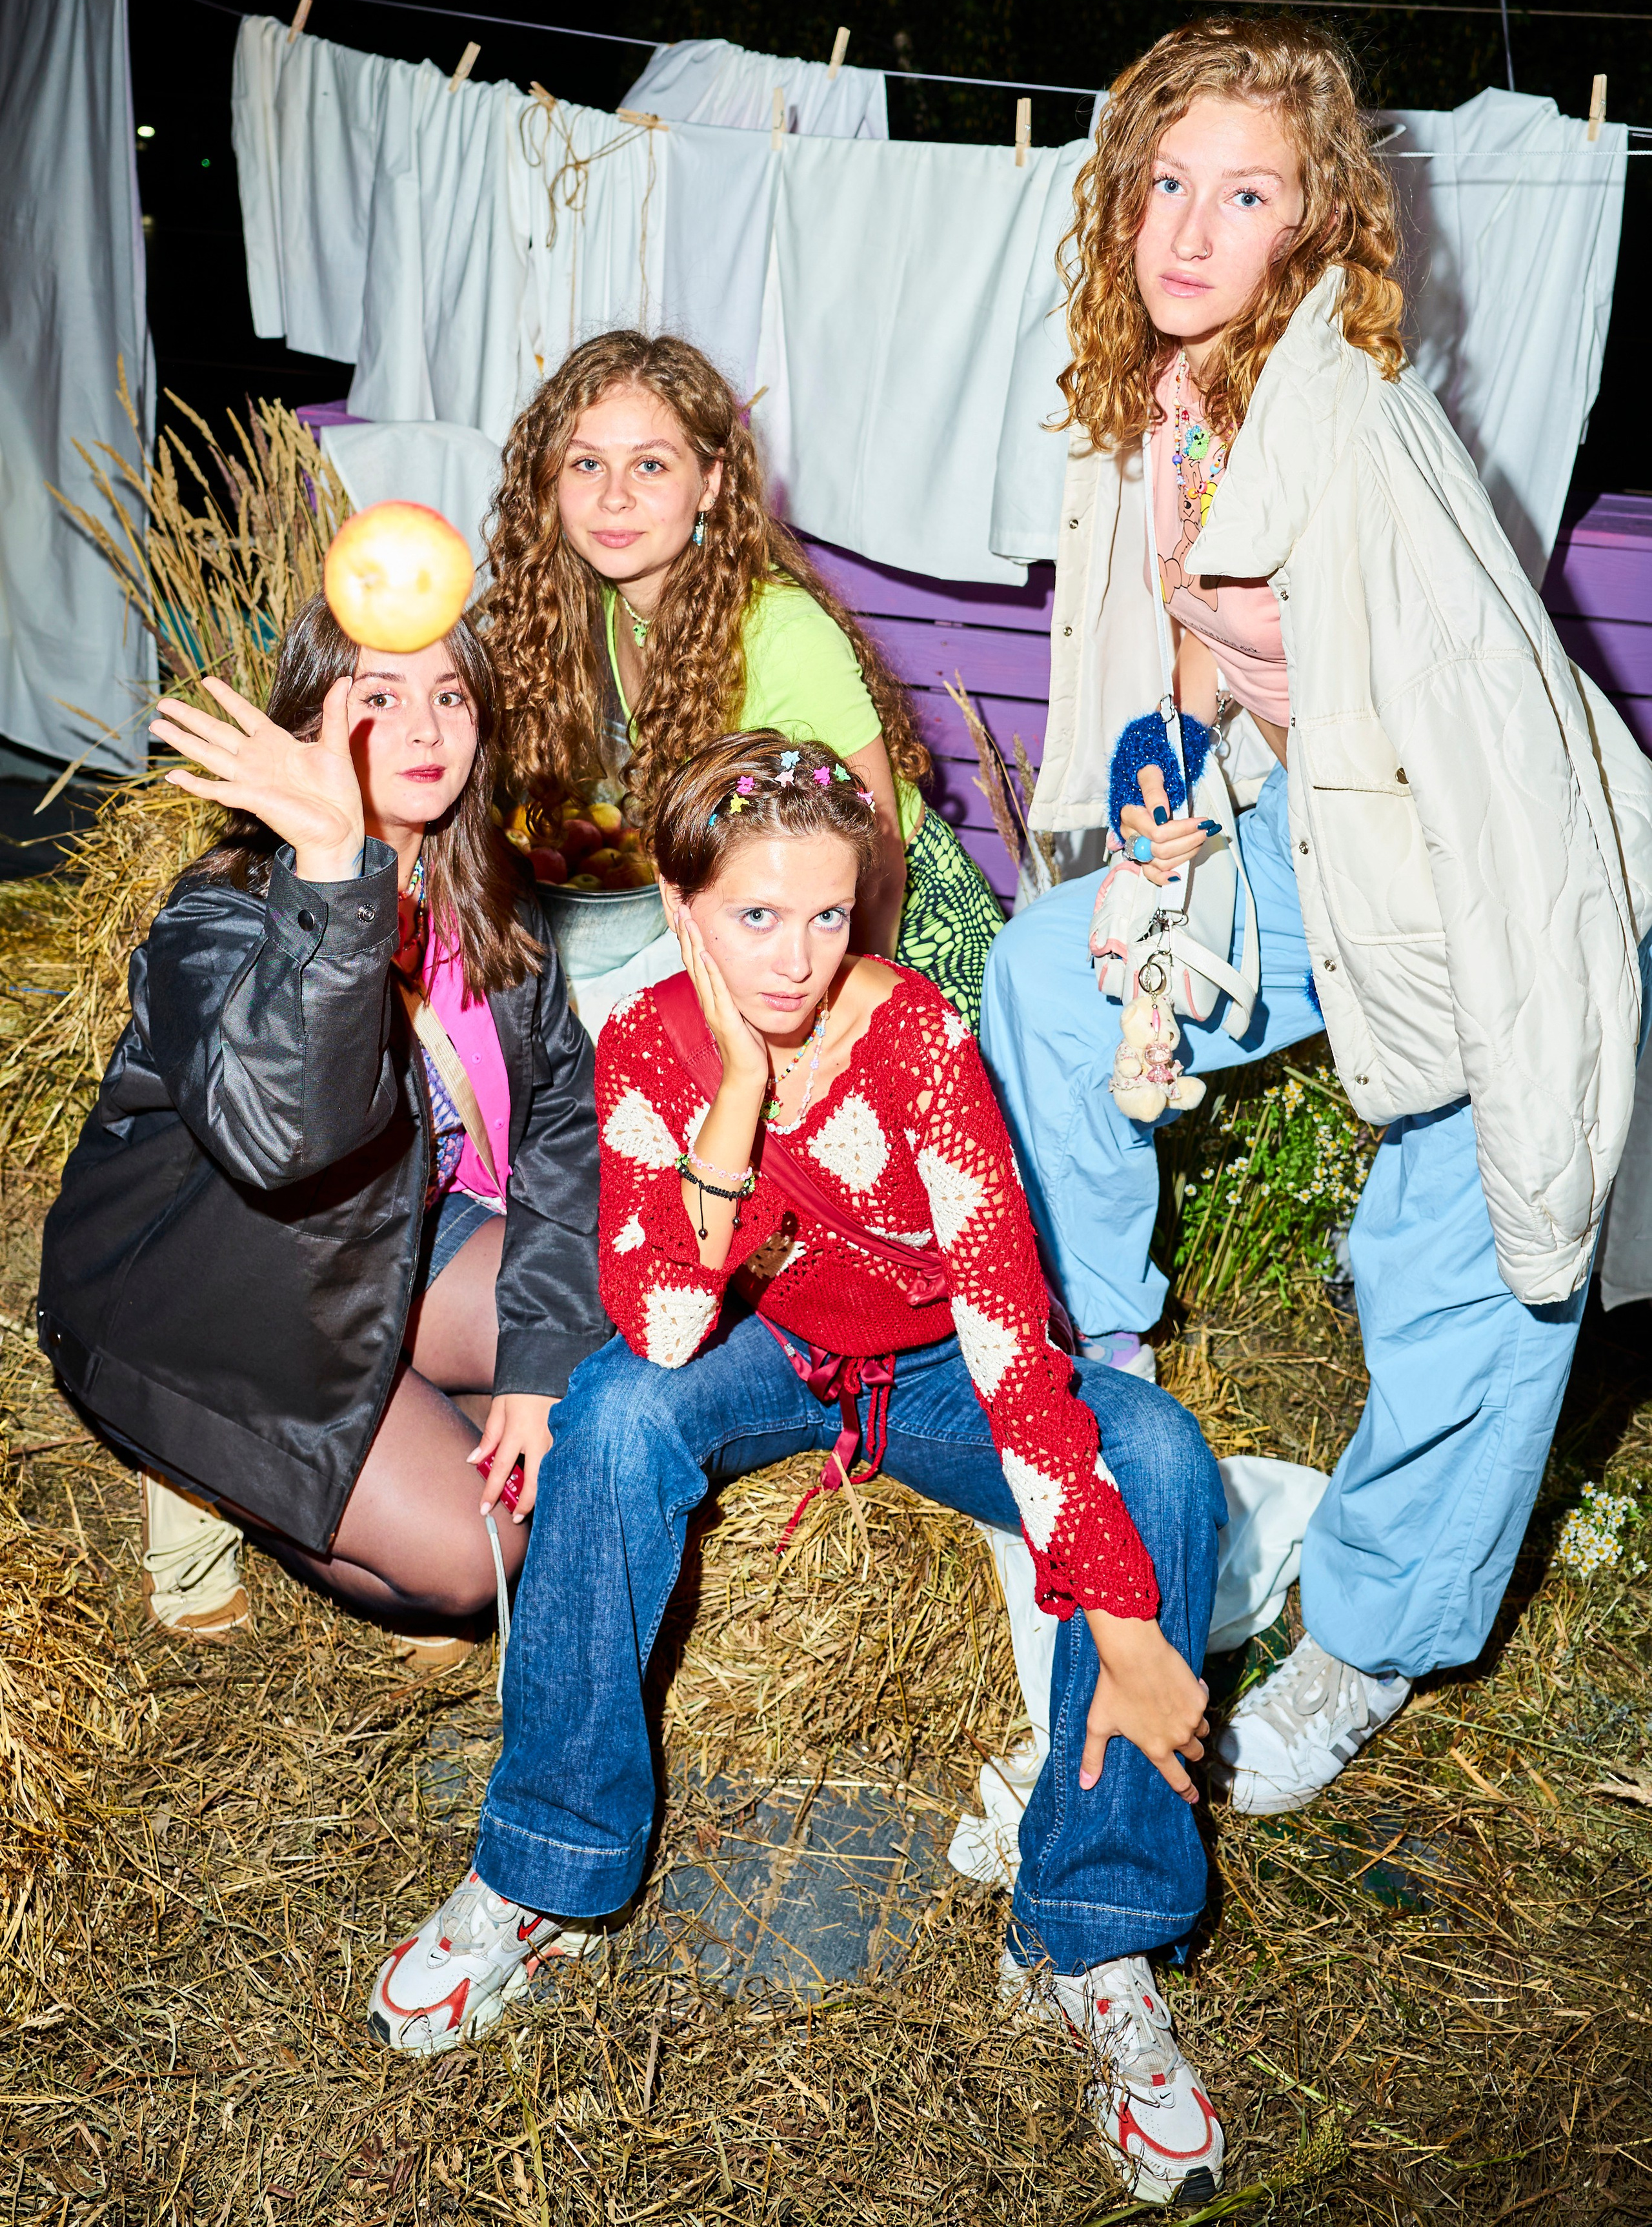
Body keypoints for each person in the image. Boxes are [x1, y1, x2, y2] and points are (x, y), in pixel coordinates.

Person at [366, 730, 1229, 2210]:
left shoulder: (917, 1040)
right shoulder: (645, 1045)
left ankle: (1090, 1933)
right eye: (755, 915)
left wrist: (1119, 1613)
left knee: (1155, 1453)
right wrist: (732, 1094)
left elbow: (1008, 1337)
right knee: (614, 1415)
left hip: (932, 1361)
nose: (795, 959)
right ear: (680, 902)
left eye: (827, 915)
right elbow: (664, 1321)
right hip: (763, 1342)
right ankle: (545, 1862)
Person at [980, 15, 1652, 1814]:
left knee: (1477, 1256)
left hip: (1482, 868)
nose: (1189, 229)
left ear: (1315, 222)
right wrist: (1169, 765)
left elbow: (1498, 756)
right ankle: (1106, 1380)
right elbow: (1211, 632)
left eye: (1245, 195)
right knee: (1052, 972)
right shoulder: (1176, 399)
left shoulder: (1355, 431)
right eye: (1165, 184)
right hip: (1315, 826)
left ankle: (1366, 1636)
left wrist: (1533, 1024)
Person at [37, 597, 609, 1670]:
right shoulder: (216, 921)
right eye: (380, 700)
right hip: (224, 1299)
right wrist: (340, 870)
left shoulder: (493, 899)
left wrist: (535, 1364)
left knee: (607, 1325)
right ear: (311, 727)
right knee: (479, 1555)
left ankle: (406, 1407)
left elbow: (563, 1133)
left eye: (452, 697)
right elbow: (286, 1141)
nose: (426, 731)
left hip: (403, 1245)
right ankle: (213, 1464)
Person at [484, 329, 1007, 1029]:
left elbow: (878, 864)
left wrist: (840, 1029)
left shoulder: (781, 634)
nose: (613, 497)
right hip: (772, 933)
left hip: (890, 939)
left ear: (711, 483)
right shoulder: (615, 604)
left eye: (649, 466)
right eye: (587, 464)